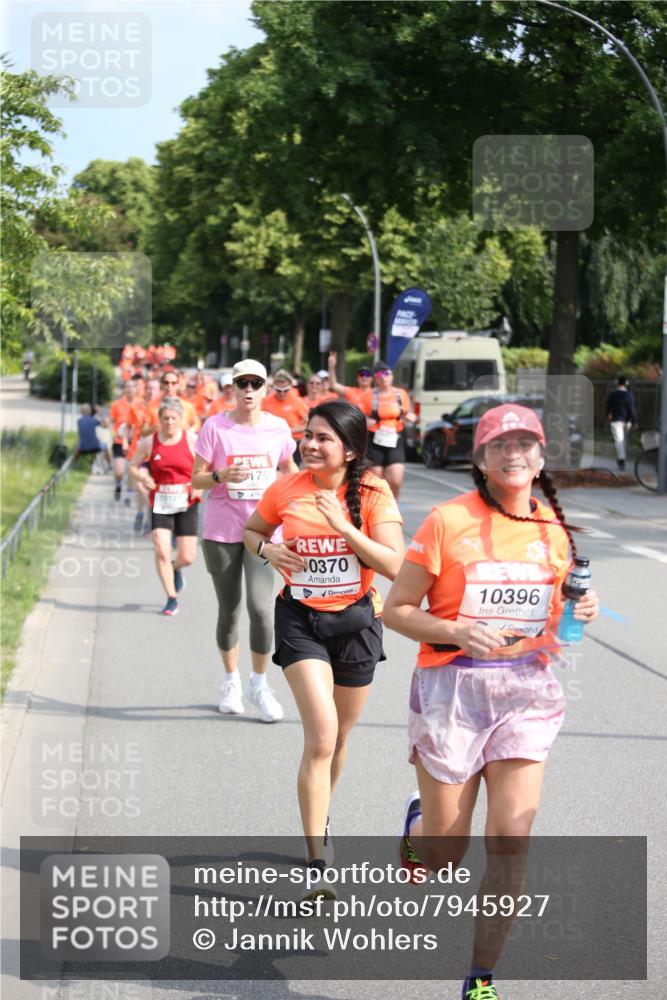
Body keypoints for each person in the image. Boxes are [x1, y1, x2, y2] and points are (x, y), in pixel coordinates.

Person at [382, 404, 599, 1000]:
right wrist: (454, 631)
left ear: (541, 455)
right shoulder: (446, 521)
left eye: (525, 443)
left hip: (526, 689)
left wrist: (582, 607)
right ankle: (418, 824)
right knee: (445, 854)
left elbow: (559, 608)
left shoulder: (552, 529)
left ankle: (480, 978)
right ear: (480, 460)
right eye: (500, 445)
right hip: (453, 687)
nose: (514, 454)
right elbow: (396, 610)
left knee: (511, 840)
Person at [244, 400, 404, 885]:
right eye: (307, 435)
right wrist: (269, 548)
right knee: (321, 737)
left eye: (323, 438)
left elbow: (396, 566)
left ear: (351, 451)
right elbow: (252, 530)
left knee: (341, 738)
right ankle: (317, 860)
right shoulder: (286, 488)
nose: (310, 445)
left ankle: (323, 813)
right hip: (301, 620)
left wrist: (343, 527)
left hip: (356, 623)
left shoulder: (373, 493)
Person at [192, 359, 298, 721]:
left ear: (266, 389)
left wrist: (300, 503)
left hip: (264, 530)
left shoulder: (279, 428)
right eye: (242, 384)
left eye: (256, 384)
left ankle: (259, 682)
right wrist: (221, 475)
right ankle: (230, 680)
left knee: (262, 609)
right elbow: (197, 479)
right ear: (233, 389)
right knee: (230, 610)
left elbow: (290, 470)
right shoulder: (215, 427)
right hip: (222, 529)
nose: (249, 390)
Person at [129, 397, 201, 616]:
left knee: (188, 557)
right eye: (165, 418)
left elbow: (207, 466)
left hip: (186, 501)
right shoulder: (150, 442)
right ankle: (171, 598)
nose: (169, 422)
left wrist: (199, 486)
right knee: (161, 548)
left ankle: (175, 567)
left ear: (181, 420)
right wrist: (142, 478)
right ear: (159, 420)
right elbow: (133, 465)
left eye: (173, 418)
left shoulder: (191, 440)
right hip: (160, 501)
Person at [364, 360, 415, 501]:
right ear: (375, 378)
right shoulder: (369, 395)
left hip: (395, 438)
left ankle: (393, 505)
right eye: (379, 375)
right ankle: (376, 508)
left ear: (392, 376)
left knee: (396, 480)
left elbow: (408, 413)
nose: (383, 377)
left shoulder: (400, 394)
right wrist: (366, 422)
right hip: (375, 438)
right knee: (376, 479)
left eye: (386, 374)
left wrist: (409, 417)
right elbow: (360, 416)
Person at [261, 369, 309, 467]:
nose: (282, 393)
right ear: (274, 387)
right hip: (272, 443)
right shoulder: (266, 401)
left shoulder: (297, 401)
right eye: (279, 390)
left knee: (293, 472)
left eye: (285, 390)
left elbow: (308, 424)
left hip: (294, 442)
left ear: (290, 387)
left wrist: (287, 430)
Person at [109, 378, 140, 503]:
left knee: (131, 471)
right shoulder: (117, 404)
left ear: (136, 389)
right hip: (119, 441)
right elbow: (111, 422)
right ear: (124, 389)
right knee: (119, 471)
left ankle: (129, 494)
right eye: (127, 387)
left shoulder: (141, 404)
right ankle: (118, 484)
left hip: (135, 442)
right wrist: (113, 433)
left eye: (133, 387)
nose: (130, 389)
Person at [605, 375, 637, 471]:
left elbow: (607, 407)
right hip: (627, 421)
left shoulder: (612, 394)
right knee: (624, 441)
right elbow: (632, 409)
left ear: (616, 383)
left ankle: (621, 460)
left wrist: (608, 415)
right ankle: (621, 458)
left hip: (616, 420)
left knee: (619, 440)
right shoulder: (629, 395)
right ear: (626, 383)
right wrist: (634, 421)